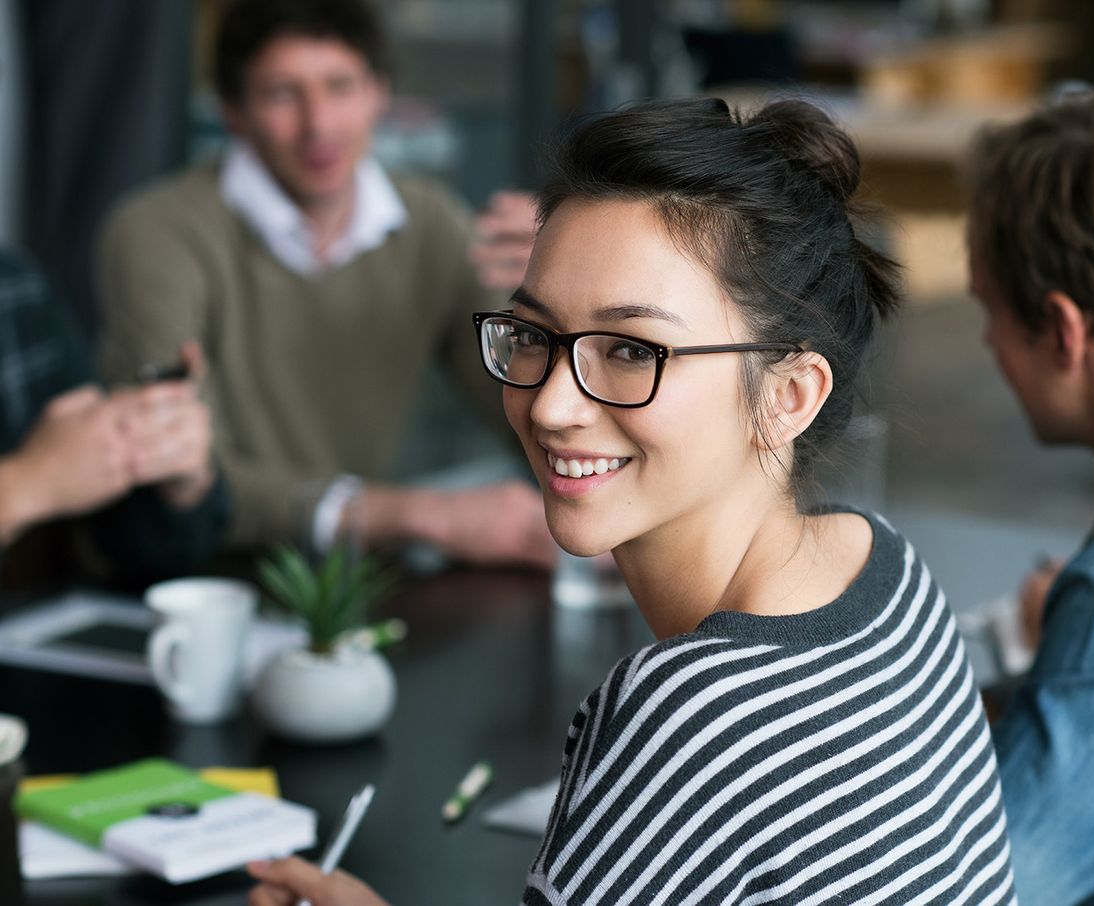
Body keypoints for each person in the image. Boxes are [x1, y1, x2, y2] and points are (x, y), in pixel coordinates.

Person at [247, 97, 1015, 905]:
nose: (551, 405)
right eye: (532, 335)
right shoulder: (882, 568)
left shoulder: (692, 715)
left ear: (788, 394)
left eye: (629, 350)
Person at [97, 0, 552, 568]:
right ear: (234, 111)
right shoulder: (157, 232)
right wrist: (420, 514)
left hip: (348, 581)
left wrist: (562, 300)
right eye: (282, 94)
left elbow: (526, 410)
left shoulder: (431, 223)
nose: (319, 124)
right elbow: (180, 470)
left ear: (380, 93)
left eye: (340, 86)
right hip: (193, 578)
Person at [965, 90, 1094, 905]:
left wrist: (1088, 635)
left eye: (990, 311)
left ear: (1063, 331)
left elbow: (991, 886)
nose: (986, 342)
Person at [0, 247, 226, 587]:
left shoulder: (18, 288)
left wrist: (165, 462)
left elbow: (124, 541)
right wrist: (26, 483)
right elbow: (49, 472)